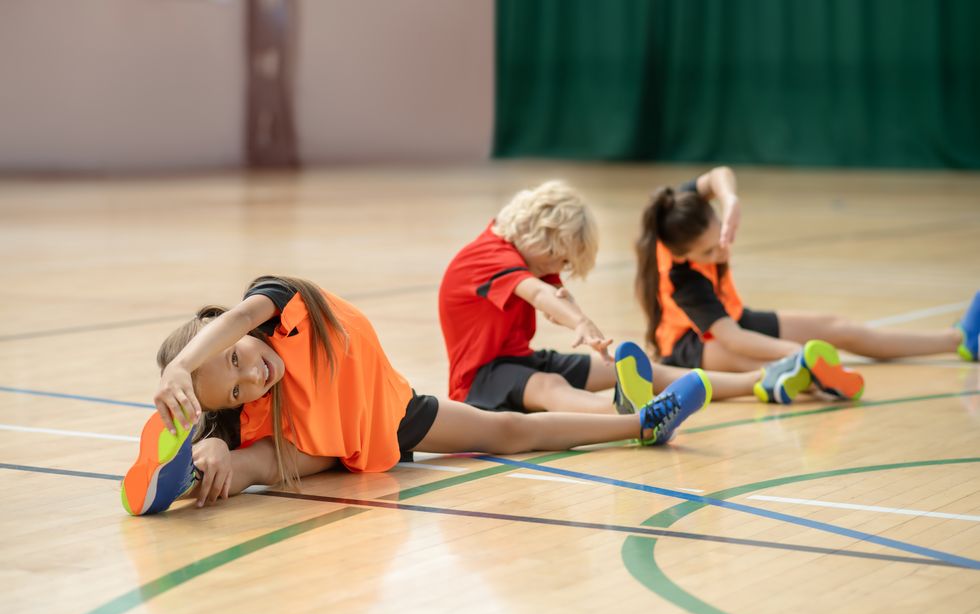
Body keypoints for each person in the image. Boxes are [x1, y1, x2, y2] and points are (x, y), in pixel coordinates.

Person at [121, 275, 711, 516]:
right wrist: (222, 450)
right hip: (329, 445)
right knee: (250, 461)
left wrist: (182, 365)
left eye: (235, 360)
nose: (253, 378)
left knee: (511, 431)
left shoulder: (277, 305)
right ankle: (190, 474)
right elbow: (266, 447)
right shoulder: (263, 407)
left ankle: (642, 424)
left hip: (391, 412)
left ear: (234, 330)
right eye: (237, 390)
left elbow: (243, 315)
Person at [438, 179, 827, 413]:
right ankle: (629, 416)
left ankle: (765, 380)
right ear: (542, 234)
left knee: (642, 369)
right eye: (558, 257)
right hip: (479, 380)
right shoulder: (488, 256)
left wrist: (592, 336)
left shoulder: (527, 254)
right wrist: (581, 322)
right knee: (550, 387)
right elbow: (539, 293)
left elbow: (557, 295)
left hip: (518, 361)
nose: (557, 267)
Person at [634, 166, 980, 402]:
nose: (722, 249)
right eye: (709, 251)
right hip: (690, 346)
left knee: (837, 327)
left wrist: (730, 200)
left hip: (732, 317)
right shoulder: (684, 279)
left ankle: (958, 340)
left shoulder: (678, 208)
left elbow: (720, 175)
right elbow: (733, 337)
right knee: (776, 365)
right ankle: (804, 375)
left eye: (720, 236)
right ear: (683, 254)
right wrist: (794, 351)